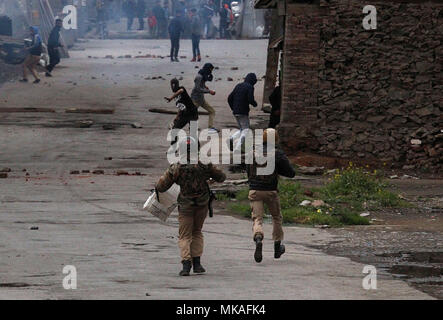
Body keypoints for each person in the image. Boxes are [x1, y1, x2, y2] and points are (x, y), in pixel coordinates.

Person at [156, 137, 226, 276]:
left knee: (184, 235)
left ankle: (186, 264)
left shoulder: (176, 167)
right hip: (202, 203)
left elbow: (161, 186)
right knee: (197, 232)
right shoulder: (205, 163)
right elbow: (221, 177)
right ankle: (198, 264)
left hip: (185, 205)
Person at [246, 129, 296, 263]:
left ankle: (258, 237)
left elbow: (248, 171)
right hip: (271, 191)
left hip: (255, 190)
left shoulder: (252, 152)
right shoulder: (277, 154)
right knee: (276, 217)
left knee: (257, 219)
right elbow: (291, 173)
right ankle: (277, 246)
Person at [227, 73, 258, 153]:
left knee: (242, 129)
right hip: (243, 111)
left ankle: (231, 138)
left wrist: (233, 108)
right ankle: (237, 148)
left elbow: (229, 98)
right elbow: (250, 99)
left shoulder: (238, 85)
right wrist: (255, 104)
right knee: (246, 130)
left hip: (236, 111)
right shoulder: (250, 87)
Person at [191, 63, 217, 132]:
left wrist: (205, 86)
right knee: (192, 114)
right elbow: (197, 88)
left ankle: (210, 127)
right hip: (195, 99)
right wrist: (209, 91)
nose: (211, 71)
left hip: (201, 99)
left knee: (212, 111)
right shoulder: (199, 77)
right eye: (210, 69)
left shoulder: (203, 75)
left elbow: (201, 84)